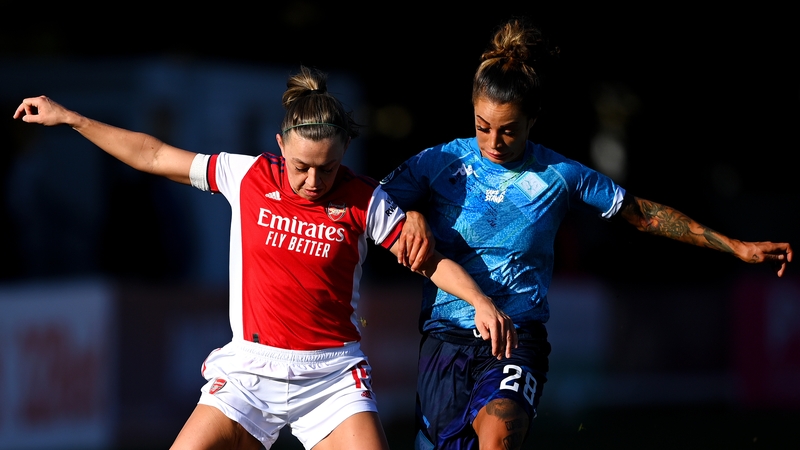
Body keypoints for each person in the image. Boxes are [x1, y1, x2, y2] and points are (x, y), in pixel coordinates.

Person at [12, 66, 518, 450]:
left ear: (344, 154)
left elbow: (429, 263)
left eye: (329, 168)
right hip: (252, 372)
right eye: (301, 167)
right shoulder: (247, 176)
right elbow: (153, 155)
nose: (314, 182)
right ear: (279, 145)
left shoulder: (367, 199)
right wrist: (72, 118)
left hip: (332, 376)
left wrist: (477, 299)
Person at [381, 18, 794, 450]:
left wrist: (734, 245)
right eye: (483, 126)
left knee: (501, 429)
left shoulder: (559, 175)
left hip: (515, 340)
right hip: (444, 341)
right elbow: (371, 206)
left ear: (533, 120)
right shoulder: (439, 161)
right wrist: (409, 213)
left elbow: (642, 214)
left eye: (508, 129)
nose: (494, 141)